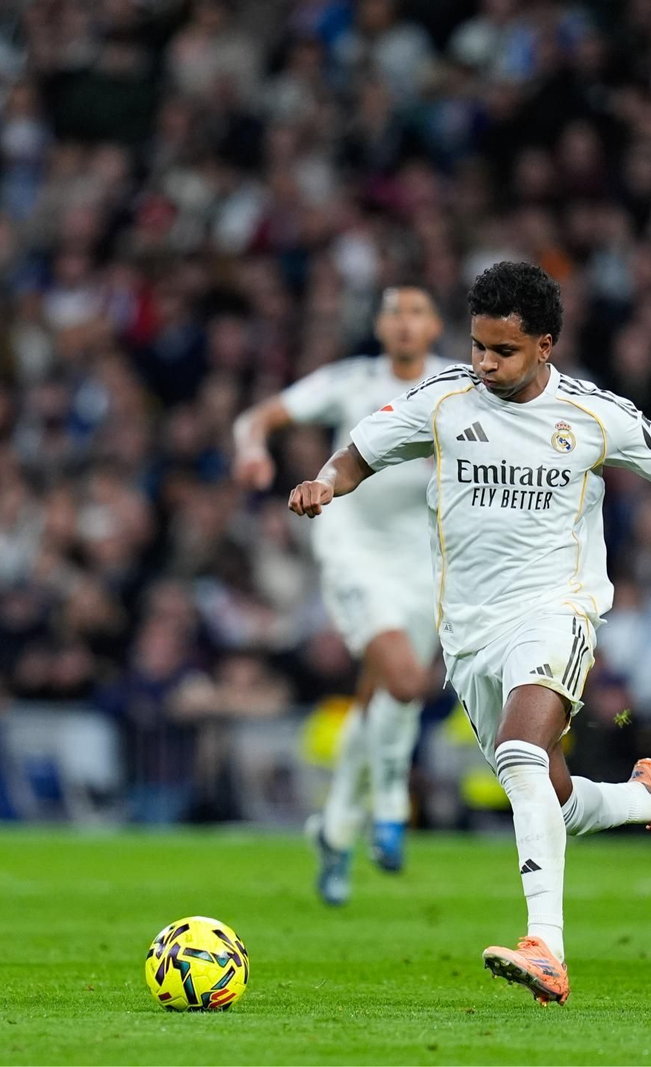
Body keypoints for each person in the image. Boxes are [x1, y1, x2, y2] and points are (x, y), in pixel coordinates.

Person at [287, 261, 651, 1006]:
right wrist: (328, 481)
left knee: (520, 755)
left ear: (545, 344)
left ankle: (545, 946)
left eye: (504, 351)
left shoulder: (594, 414)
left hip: (560, 608)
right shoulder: (445, 400)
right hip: (468, 634)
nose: (485, 364)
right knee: (546, 792)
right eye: (479, 346)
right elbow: (361, 450)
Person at [233, 285, 447, 905]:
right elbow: (256, 419)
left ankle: (332, 831)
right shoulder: (349, 379)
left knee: (380, 693)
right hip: (351, 546)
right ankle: (388, 809)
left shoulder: (457, 385)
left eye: (416, 313)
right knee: (405, 683)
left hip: (423, 558)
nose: (404, 324)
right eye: (393, 313)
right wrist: (251, 451)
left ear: (434, 326)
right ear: (379, 326)